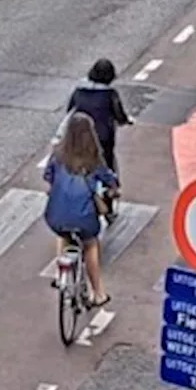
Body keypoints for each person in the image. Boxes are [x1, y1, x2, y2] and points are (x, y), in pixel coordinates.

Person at [43, 112, 119, 308]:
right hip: (84, 219)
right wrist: (113, 190)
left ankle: (61, 275)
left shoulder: (57, 154)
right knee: (90, 245)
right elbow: (109, 180)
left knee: (63, 234)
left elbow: (48, 177)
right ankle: (98, 293)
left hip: (56, 216)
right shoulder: (93, 159)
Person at [64, 58, 133, 220]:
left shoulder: (78, 91)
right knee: (107, 170)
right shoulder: (110, 94)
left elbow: (70, 111)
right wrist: (125, 120)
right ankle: (108, 208)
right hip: (102, 141)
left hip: (79, 138)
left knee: (75, 168)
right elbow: (119, 115)